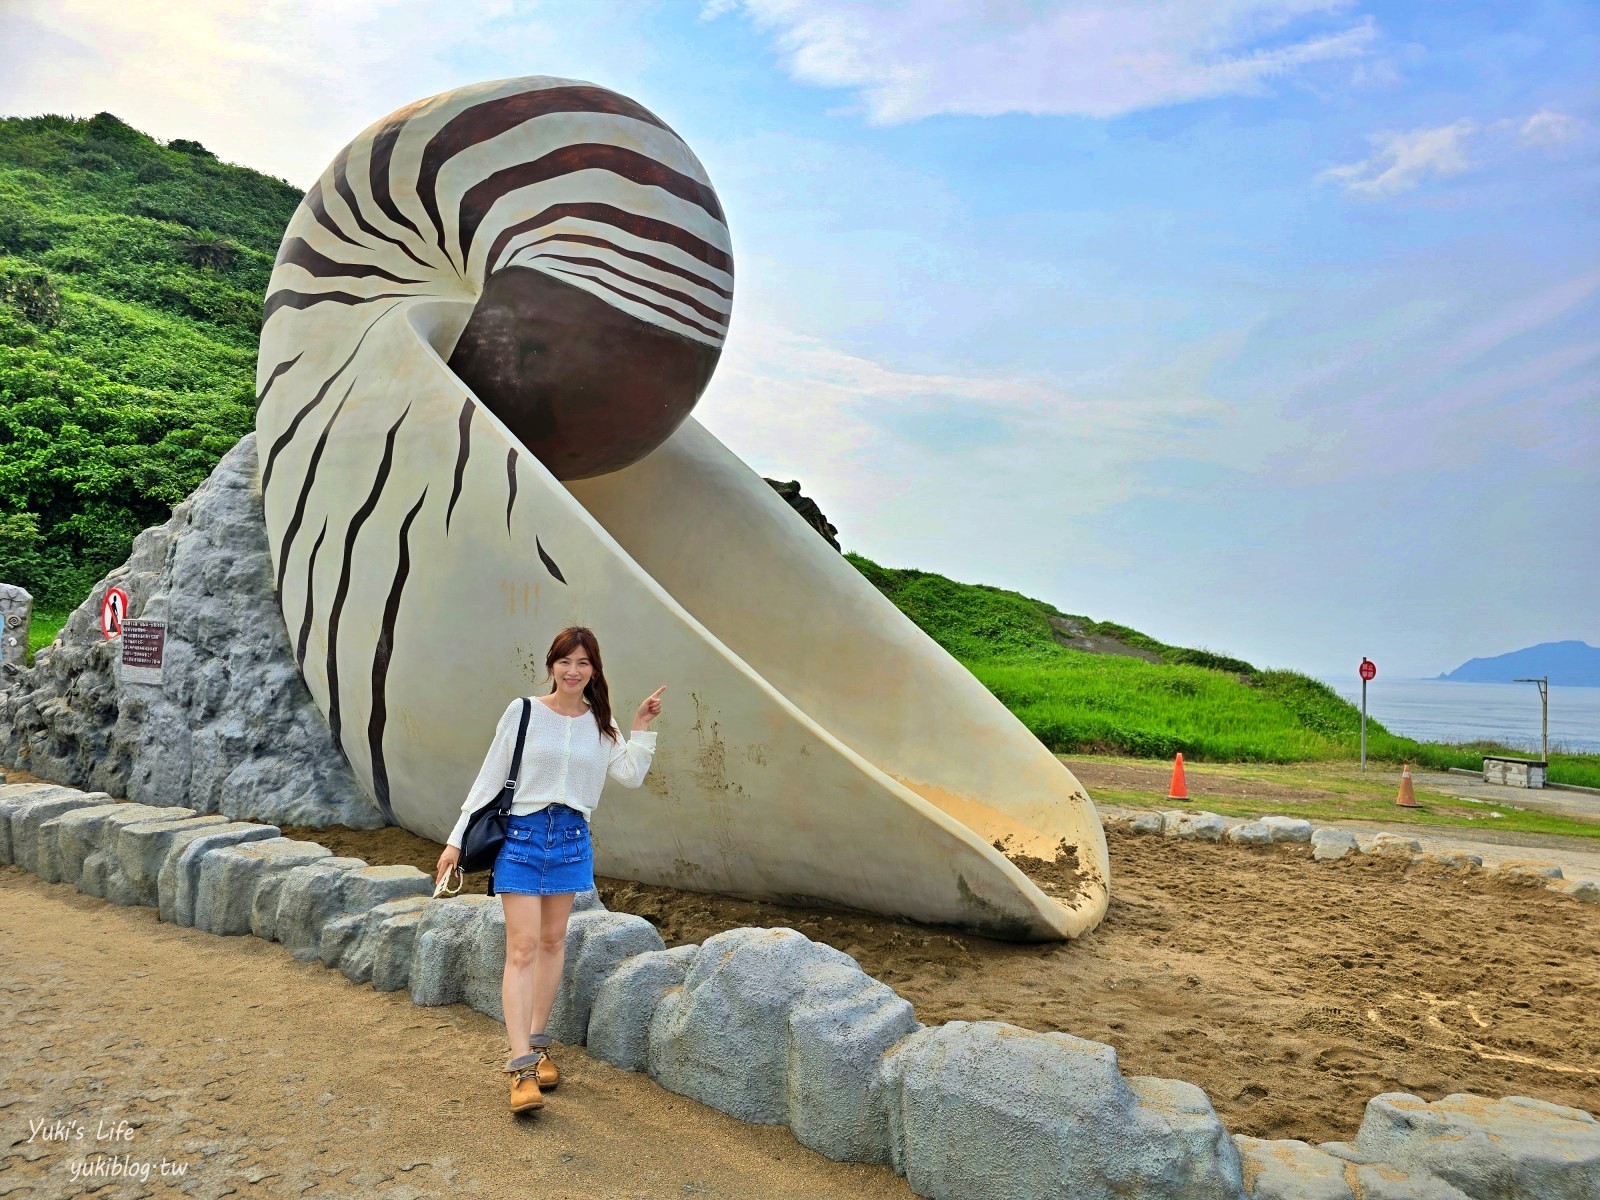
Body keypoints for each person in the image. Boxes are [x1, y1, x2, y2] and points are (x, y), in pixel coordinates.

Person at [433, 625, 665, 1114]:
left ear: (594, 670)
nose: (573, 671)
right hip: (521, 836)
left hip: (572, 838)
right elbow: (489, 776)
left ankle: (538, 1046)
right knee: (520, 947)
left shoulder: (601, 724)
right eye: (565, 661)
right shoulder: (522, 712)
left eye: (583, 663)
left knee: (553, 943)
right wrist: (456, 838)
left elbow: (629, 774)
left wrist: (641, 727)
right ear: (551, 665)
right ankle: (519, 1069)